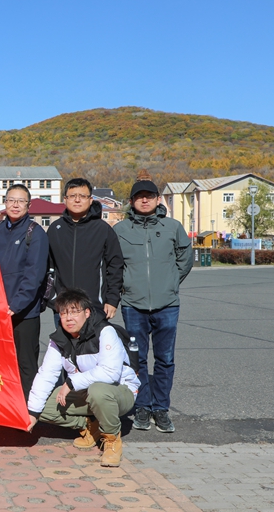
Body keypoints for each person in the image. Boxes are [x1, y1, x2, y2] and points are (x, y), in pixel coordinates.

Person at [25, 288, 140, 468]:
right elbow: (46, 374)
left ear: (87, 313)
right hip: (85, 391)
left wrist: (71, 382)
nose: (68, 318)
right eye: (64, 313)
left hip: (121, 391)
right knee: (41, 405)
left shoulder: (105, 331)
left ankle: (112, 439)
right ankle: (90, 426)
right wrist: (32, 414)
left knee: (98, 391)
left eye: (74, 312)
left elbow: (110, 372)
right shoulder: (59, 339)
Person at [115, 179, 193, 433]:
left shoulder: (172, 226)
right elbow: (114, 264)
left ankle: (160, 408)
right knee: (137, 360)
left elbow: (185, 258)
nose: (145, 200)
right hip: (133, 304)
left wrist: (170, 282)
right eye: (139, 196)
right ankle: (142, 406)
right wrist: (125, 286)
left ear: (158, 199)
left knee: (165, 359)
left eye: (149, 195)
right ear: (131, 201)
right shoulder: (121, 230)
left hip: (167, 304)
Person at [0, 184, 49, 399]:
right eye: (11, 200)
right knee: (0, 361)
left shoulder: (35, 233)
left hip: (24, 312)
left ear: (28, 205)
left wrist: (16, 305)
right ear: (5, 203)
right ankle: (4, 403)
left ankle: (28, 407)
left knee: (25, 364)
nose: (15, 205)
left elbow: (35, 275)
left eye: (21, 201)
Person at [47, 178, 123, 321]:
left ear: (90, 200)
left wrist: (112, 300)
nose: (77, 200)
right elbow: (47, 268)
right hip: (63, 308)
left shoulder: (103, 229)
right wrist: (52, 298)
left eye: (82, 196)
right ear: (65, 199)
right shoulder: (55, 229)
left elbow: (115, 267)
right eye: (72, 196)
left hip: (95, 307)